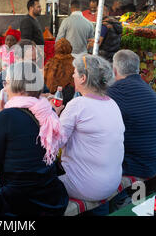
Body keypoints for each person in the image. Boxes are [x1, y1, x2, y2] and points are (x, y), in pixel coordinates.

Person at [0, 61, 68, 216]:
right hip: (51, 197)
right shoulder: (47, 110)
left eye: (7, 82)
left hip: (18, 202)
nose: (4, 87)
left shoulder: (8, 115)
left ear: (17, 85)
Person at [56, 54, 125, 202]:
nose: (72, 75)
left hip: (86, 186)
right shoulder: (112, 103)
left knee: (33, 187)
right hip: (112, 182)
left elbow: (55, 143)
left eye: (75, 72)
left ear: (83, 78)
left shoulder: (78, 104)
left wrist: (52, 115)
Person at [107, 50, 156, 179]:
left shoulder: (116, 92)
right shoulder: (149, 91)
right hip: (154, 161)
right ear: (137, 69)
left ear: (115, 70)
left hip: (134, 166)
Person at [43, 38, 75, 107]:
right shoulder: (74, 63)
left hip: (50, 100)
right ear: (70, 48)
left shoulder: (50, 63)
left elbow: (44, 81)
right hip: (66, 101)